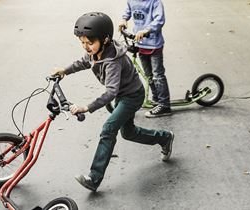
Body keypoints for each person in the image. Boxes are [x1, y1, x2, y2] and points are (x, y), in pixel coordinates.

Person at [51, 12, 174, 192]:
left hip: (132, 96)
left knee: (108, 129)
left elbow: (111, 92)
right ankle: (165, 138)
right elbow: (83, 62)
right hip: (124, 95)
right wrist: (64, 70)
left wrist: (87, 107)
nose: (85, 47)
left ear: (105, 39)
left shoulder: (112, 62)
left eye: (89, 43)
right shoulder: (96, 52)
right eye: (82, 42)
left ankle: (94, 178)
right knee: (128, 133)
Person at [119, 0, 171, 118]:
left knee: (158, 75)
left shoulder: (155, 2)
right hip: (140, 44)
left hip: (153, 44)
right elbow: (128, 10)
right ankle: (156, 99)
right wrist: (124, 19)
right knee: (148, 75)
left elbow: (159, 19)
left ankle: (164, 105)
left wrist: (146, 30)